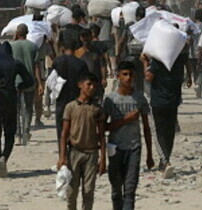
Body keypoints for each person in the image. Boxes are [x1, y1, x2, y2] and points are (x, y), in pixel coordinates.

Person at [103, 61, 154, 210]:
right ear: (118, 76)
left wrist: (149, 154)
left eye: (131, 74)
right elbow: (103, 127)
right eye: (125, 74)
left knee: (130, 190)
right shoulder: (110, 100)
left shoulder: (139, 98)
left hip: (134, 147)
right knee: (116, 191)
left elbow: (146, 127)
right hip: (115, 148)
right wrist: (125, 120)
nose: (128, 78)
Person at [0, 42, 33, 177]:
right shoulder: (16, 63)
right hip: (10, 99)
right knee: (10, 132)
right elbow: (30, 81)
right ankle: (4, 157)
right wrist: (20, 86)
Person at [140, 44, 192, 177]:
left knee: (158, 132)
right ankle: (165, 160)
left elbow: (148, 78)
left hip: (158, 100)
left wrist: (145, 62)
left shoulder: (158, 62)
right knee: (169, 131)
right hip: (173, 100)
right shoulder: (179, 60)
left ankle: (165, 161)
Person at [56, 73, 106, 210]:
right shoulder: (70, 107)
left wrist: (103, 159)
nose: (91, 88)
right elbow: (64, 134)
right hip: (74, 153)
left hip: (91, 154)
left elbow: (101, 135)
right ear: (80, 85)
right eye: (88, 84)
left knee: (88, 191)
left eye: (94, 85)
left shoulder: (97, 109)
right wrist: (62, 157)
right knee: (72, 191)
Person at [52, 37, 90, 141]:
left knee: (61, 128)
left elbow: (51, 81)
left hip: (61, 99)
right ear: (76, 49)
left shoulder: (57, 62)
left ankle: (62, 154)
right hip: (76, 99)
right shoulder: (81, 63)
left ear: (63, 48)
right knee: (75, 128)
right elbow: (86, 82)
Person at [10, 24, 40, 145]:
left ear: (17, 33)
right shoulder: (33, 46)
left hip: (15, 80)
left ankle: (17, 132)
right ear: (27, 33)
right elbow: (36, 66)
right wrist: (39, 83)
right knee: (28, 107)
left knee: (15, 108)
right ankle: (26, 130)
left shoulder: (11, 46)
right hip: (29, 80)